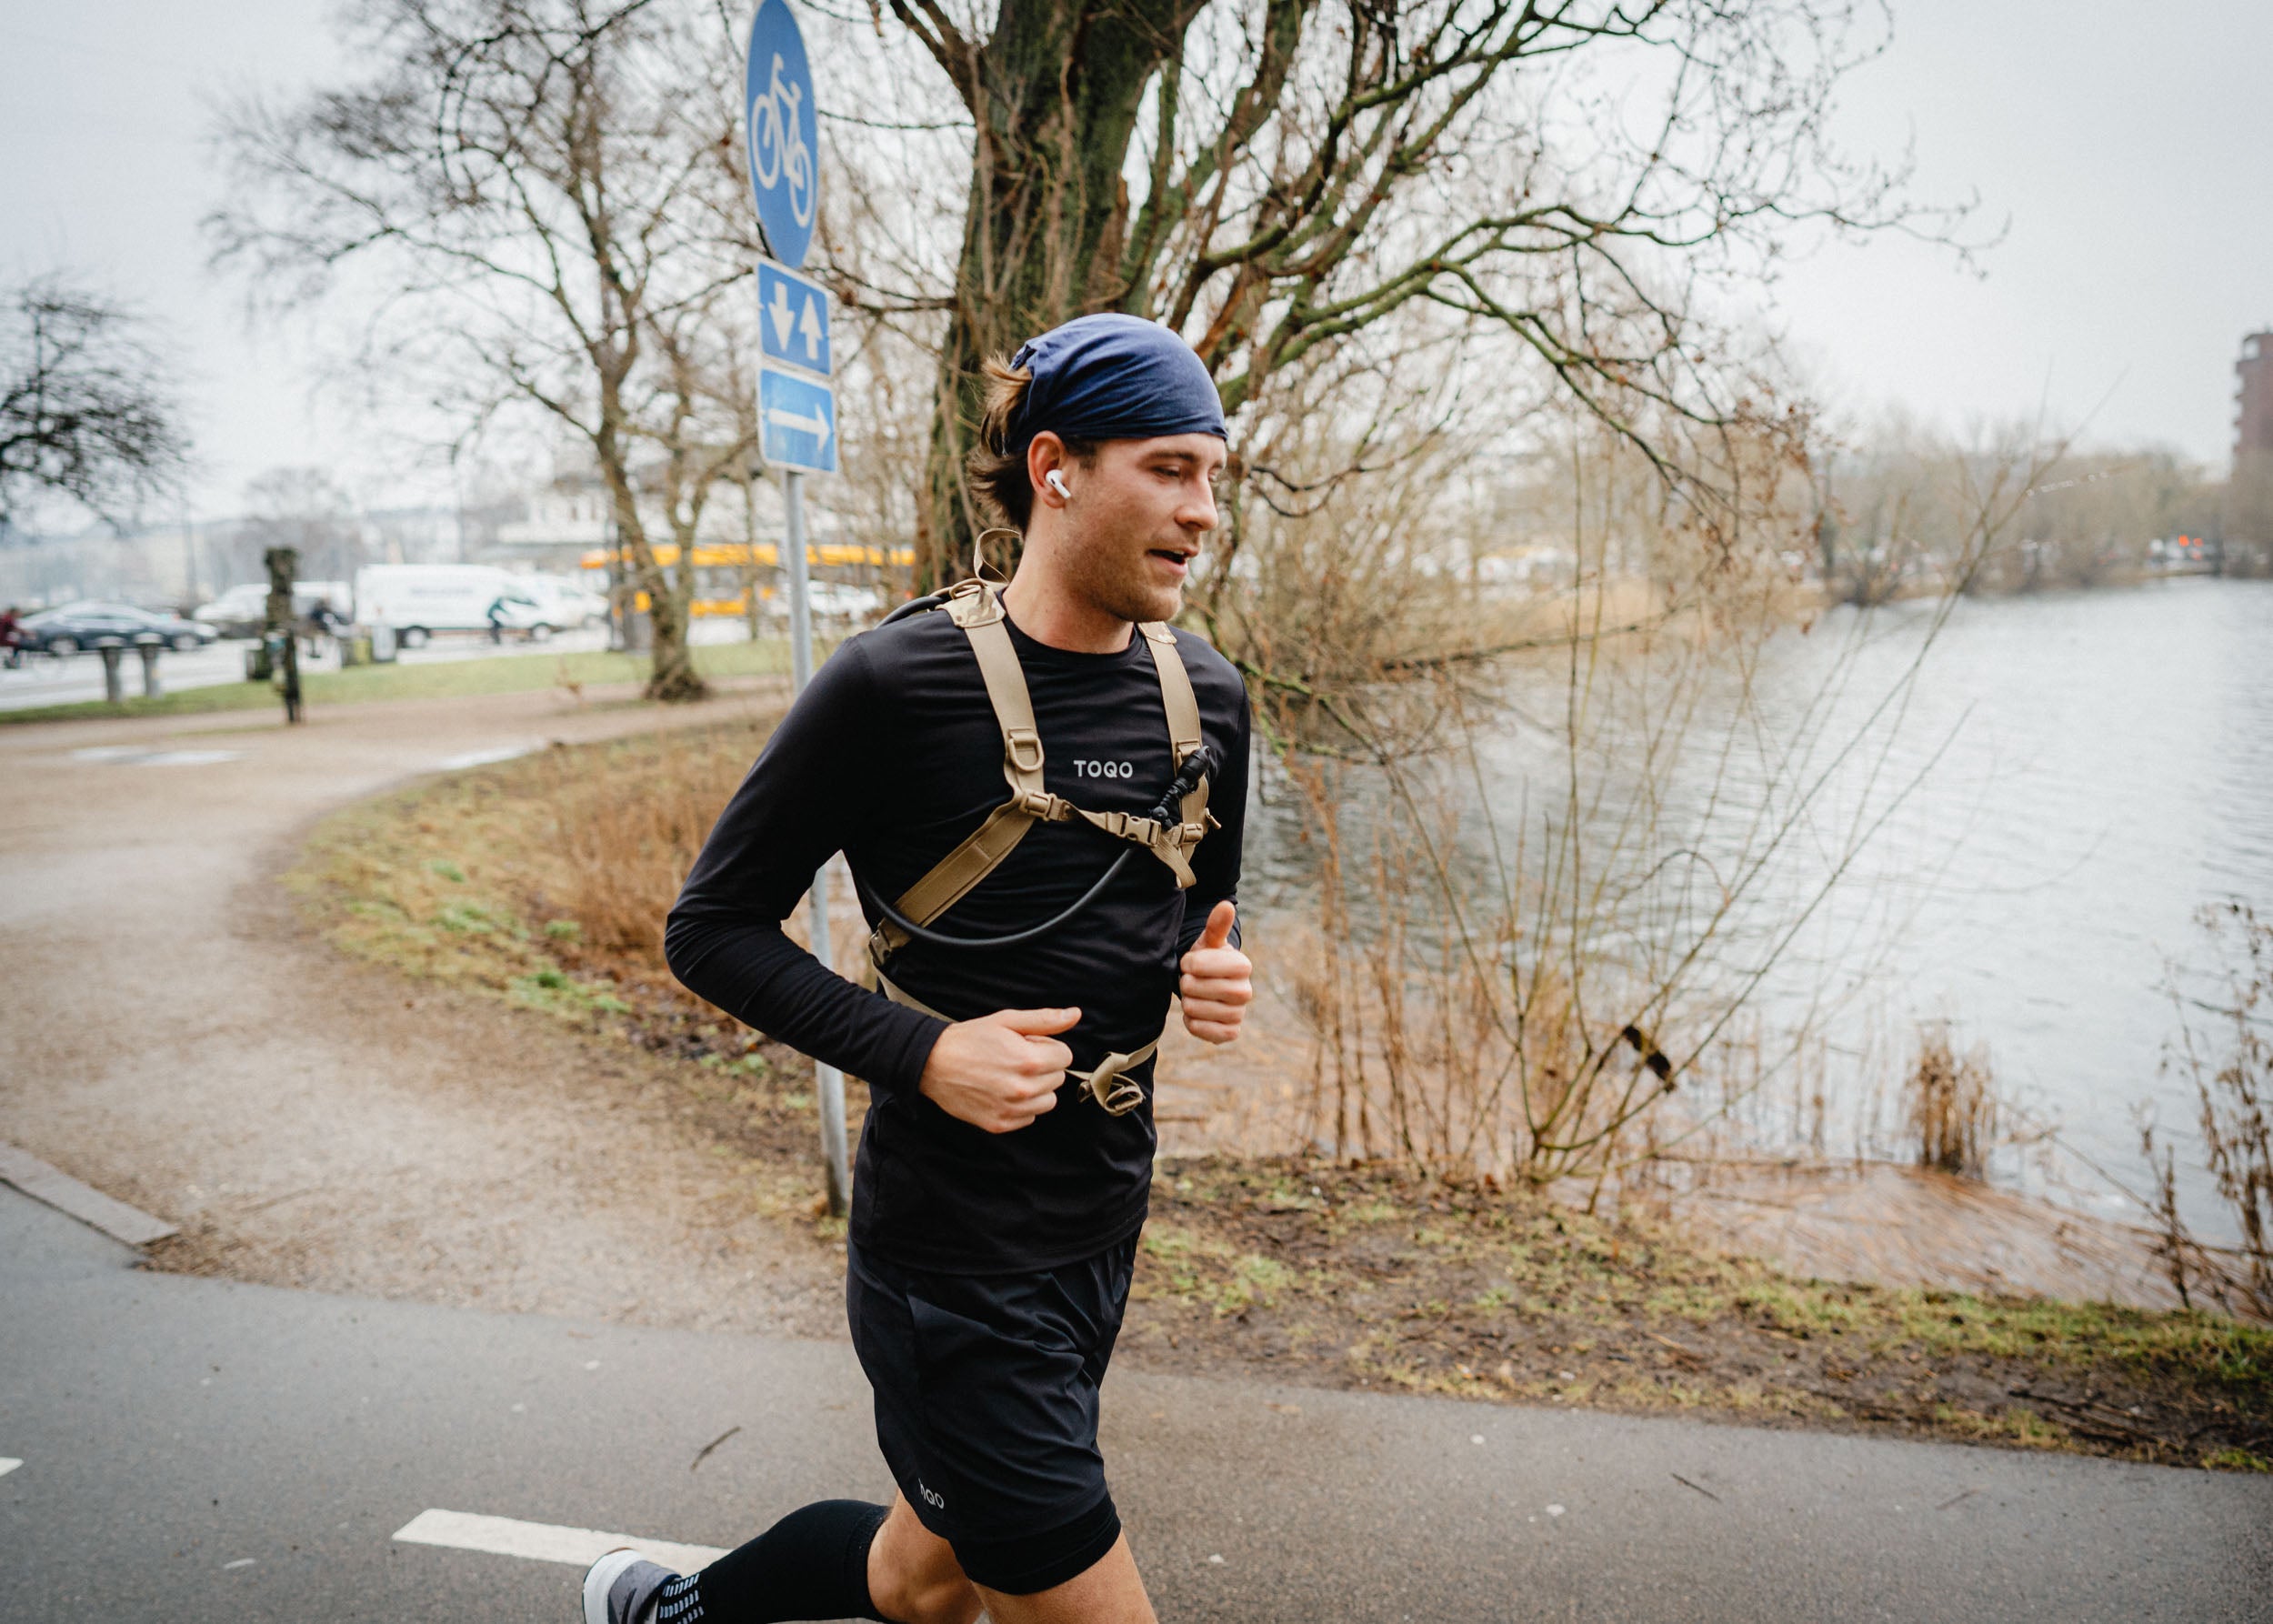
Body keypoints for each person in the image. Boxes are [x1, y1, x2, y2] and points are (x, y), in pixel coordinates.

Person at [584, 314, 1254, 1624]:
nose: (1205, 509)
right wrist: (924, 1052)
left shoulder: (1208, 695)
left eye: (1216, 475)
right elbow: (709, 926)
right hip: (951, 1263)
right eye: (1171, 469)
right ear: (1055, 467)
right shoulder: (895, 683)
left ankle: (678, 1615)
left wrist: (1208, 974)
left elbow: (1196, 915)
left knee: (926, 1572)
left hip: (1102, 1222)